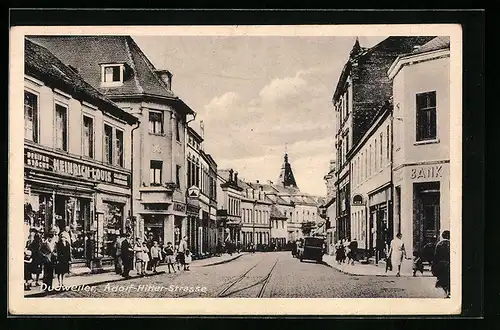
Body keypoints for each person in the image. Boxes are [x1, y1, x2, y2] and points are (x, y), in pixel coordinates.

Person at [432, 230, 450, 298]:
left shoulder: (439, 244)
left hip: (441, 264)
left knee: (442, 279)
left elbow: (436, 256)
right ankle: (449, 292)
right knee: (448, 279)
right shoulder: (452, 244)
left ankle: (446, 292)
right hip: (449, 264)